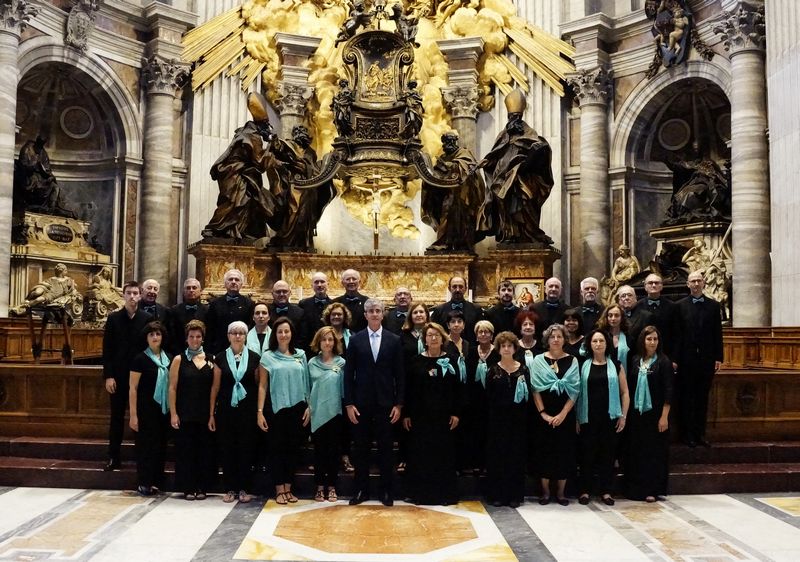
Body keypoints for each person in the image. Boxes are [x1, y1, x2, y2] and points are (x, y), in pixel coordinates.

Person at [343, 298, 405, 506]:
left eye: (378, 310)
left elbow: (400, 375)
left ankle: (386, 491)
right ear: (365, 315)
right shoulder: (356, 339)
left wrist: (399, 404)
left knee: (386, 449)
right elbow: (348, 374)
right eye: (371, 311)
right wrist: (349, 403)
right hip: (361, 404)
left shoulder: (394, 340)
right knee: (361, 449)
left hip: (387, 404)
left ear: (383, 313)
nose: (375, 314)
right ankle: (361, 490)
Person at [477, 88, 555, 246]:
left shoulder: (530, 134)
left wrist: (525, 162)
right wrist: (488, 162)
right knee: (501, 201)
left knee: (523, 201)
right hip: (502, 178)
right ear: (508, 117)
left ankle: (528, 233)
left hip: (522, 178)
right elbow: (495, 154)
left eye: (517, 117)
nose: (514, 119)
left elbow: (540, 150)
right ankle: (508, 234)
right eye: (512, 117)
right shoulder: (503, 135)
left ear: (521, 117)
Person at [201, 92, 277, 241]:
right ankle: (216, 229)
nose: (267, 131)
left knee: (249, 202)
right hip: (234, 174)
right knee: (234, 203)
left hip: (234, 173)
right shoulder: (253, 137)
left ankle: (239, 232)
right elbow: (260, 162)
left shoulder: (246, 132)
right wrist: (272, 147)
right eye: (266, 127)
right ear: (261, 126)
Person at [403, 322, 461, 505]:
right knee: (421, 455)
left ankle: (444, 495)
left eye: (436, 335)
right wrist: (407, 414)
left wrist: (456, 413)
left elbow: (457, 389)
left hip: (443, 417)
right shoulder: (415, 361)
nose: (433, 338)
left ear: (442, 338)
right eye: (429, 335)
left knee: (443, 455)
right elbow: (409, 390)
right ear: (424, 339)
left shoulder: (451, 360)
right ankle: (420, 494)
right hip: (421, 416)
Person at [209, 321, 265, 503]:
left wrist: (259, 411)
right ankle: (230, 488)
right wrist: (211, 414)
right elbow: (215, 388)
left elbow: (259, 386)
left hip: (247, 411)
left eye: (241, 333)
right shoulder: (220, 358)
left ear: (246, 336)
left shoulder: (256, 358)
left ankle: (244, 487)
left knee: (246, 449)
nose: (238, 336)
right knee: (227, 449)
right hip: (226, 411)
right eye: (234, 333)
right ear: (228, 336)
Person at [576, 329, 629, 506]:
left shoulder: (616, 364)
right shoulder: (582, 364)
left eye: (601, 341)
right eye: (594, 341)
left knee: (608, 455)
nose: (598, 344)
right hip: (587, 417)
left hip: (610, 417)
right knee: (586, 455)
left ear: (607, 344)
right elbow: (576, 393)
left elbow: (625, 392)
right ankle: (584, 490)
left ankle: (606, 491)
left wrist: (623, 416)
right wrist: (576, 418)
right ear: (589, 344)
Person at [259, 317, 310, 505]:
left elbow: (306, 383)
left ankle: (289, 487)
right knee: (277, 450)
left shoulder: (301, 355)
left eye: (286, 331)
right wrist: (259, 411)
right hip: (276, 409)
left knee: (293, 449)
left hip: (297, 409)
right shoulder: (268, 356)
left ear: (291, 333)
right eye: (280, 331)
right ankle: (279, 488)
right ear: (275, 334)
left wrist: (310, 407)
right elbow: (263, 386)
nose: (283, 334)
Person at [102, 281, 151, 471]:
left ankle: (142, 458)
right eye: (129, 293)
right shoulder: (114, 318)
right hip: (119, 376)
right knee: (116, 418)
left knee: (141, 417)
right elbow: (107, 350)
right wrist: (109, 376)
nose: (132, 296)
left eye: (135, 293)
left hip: (141, 377)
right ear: (123, 295)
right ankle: (113, 456)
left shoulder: (146, 318)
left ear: (140, 296)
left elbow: (150, 348)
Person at [530, 324, 580, 506]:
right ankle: (544, 492)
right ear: (547, 340)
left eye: (559, 336)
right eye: (552, 337)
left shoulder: (573, 360)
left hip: (565, 415)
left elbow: (575, 390)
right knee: (544, 452)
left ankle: (561, 492)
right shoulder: (538, 360)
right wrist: (543, 413)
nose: (556, 340)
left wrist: (563, 414)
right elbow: (535, 389)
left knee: (564, 452)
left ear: (564, 339)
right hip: (543, 414)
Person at [265, 125, 335, 250]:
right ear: (295, 136)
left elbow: (313, 169)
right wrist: (274, 140)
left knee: (305, 217)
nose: (303, 136)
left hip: (309, 189)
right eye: (300, 133)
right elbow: (278, 148)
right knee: (293, 211)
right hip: (294, 186)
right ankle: (286, 239)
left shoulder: (310, 152)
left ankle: (302, 242)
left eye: (305, 134)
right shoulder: (290, 146)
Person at [167, 319, 215, 500]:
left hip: (204, 413)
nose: (195, 340)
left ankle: (202, 487)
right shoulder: (179, 359)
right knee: (185, 451)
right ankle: (188, 487)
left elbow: (214, 388)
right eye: (191, 337)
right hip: (184, 412)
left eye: (198, 337)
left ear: (203, 339)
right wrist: (173, 413)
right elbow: (172, 387)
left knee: (204, 451)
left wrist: (211, 414)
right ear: (186, 339)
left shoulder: (211, 359)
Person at [674, 271, 723, 448]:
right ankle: (686, 435)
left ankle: (700, 434)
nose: (695, 284)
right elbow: (677, 335)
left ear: (704, 283)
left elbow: (717, 333)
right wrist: (675, 358)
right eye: (692, 281)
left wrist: (719, 357)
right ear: (687, 284)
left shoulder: (713, 306)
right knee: (686, 397)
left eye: (698, 281)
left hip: (706, 359)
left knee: (702, 398)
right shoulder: (679, 306)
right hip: (685, 360)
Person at [626, 325, 674, 502]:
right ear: (643, 341)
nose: (652, 342)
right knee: (637, 452)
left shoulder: (663, 361)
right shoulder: (635, 360)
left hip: (656, 415)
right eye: (649, 339)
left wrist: (664, 416)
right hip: (637, 414)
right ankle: (635, 489)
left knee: (653, 453)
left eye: (655, 339)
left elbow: (669, 391)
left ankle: (652, 489)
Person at [484, 331, 531, 507]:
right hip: (497, 420)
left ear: (514, 348)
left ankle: (515, 495)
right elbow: (488, 396)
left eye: (509, 346)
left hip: (518, 420)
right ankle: (498, 494)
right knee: (498, 456)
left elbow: (528, 396)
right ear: (498, 348)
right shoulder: (492, 370)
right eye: (503, 346)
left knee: (515, 456)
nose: (506, 349)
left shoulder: (523, 369)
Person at [420, 130, 486, 252]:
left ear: (454, 141)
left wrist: (449, 166)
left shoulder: (464, 153)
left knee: (453, 214)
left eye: (450, 141)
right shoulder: (444, 157)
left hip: (462, 196)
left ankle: (452, 243)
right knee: (445, 213)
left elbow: (466, 170)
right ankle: (445, 242)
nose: (447, 145)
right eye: (445, 142)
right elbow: (438, 176)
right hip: (447, 194)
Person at [129, 321, 171, 496]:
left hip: (163, 410)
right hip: (145, 410)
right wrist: (133, 415)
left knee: (160, 446)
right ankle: (144, 482)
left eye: (158, 334)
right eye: (151, 334)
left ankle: (156, 481)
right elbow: (133, 388)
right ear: (146, 338)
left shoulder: (169, 358)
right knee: (146, 447)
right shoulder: (140, 359)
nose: (155, 337)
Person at [308, 326, 346, 502]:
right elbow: (307, 388)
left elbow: (346, 390)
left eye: (330, 339)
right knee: (319, 452)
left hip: (335, 413)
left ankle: (331, 486)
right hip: (317, 413)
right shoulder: (311, 363)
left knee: (333, 452)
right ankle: (319, 486)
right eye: (324, 339)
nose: (327, 342)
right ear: (318, 341)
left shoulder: (342, 363)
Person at [205, 269, 255, 355]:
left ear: (241, 284)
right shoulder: (215, 304)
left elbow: (251, 327)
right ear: (225, 283)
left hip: (242, 349)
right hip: (219, 349)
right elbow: (210, 329)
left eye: (237, 279)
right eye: (230, 279)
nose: (233, 282)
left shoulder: (249, 304)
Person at [637, 273, 678, 360]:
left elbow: (676, 334)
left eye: (657, 283)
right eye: (650, 283)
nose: (654, 285)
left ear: (662, 286)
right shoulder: (637, 306)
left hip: (666, 354)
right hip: (643, 355)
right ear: (645, 286)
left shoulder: (672, 306)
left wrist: (674, 359)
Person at [430, 276, 483, 344]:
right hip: (446, 351)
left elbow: (480, 332)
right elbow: (434, 332)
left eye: (461, 287)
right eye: (454, 287)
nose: (457, 290)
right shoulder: (439, 310)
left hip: (470, 350)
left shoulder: (476, 309)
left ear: (465, 289)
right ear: (449, 288)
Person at [169, 278, 208, 355]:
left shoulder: (207, 310)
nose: (191, 290)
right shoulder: (174, 310)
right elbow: (172, 335)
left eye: (194, 288)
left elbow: (210, 335)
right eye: (188, 288)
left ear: (200, 291)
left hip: (203, 353)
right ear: (183, 292)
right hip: (180, 352)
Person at [298, 272, 333, 346]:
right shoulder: (303, 304)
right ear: (312, 285)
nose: (319, 285)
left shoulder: (333, 304)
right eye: (316, 282)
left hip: (328, 345)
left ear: (328, 284)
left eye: (322, 282)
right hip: (308, 346)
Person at [268, 280, 306, 348]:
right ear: (272, 293)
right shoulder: (266, 312)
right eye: (278, 292)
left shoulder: (300, 312)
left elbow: (303, 337)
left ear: (290, 293)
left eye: (285, 291)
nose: (281, 294)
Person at [596, 303, 631, 373]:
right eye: (610, 315)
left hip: (624, 375)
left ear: (622, 318)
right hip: (602, 374)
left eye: (616, 315)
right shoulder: (600, 336)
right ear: (606, 317)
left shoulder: (628, 338)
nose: (613, 318)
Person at [616, 284, 652, 350]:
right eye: (623, 296)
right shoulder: (614, 316)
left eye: (630, 295)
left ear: (635, 298)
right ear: (619, 300)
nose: (626, 298)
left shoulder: (646, 316)